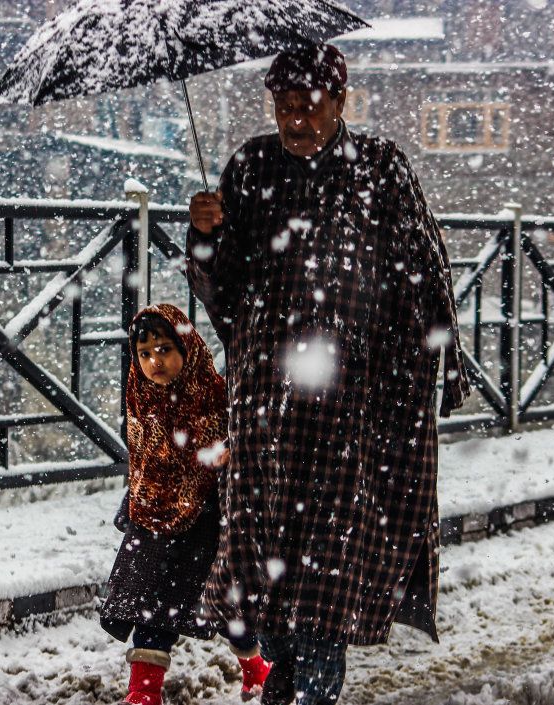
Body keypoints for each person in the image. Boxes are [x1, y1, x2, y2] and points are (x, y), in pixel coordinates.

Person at [186, 43, 471, 705]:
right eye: (286, 108)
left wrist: (423, 359)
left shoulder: (378, 167)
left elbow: (424, 266)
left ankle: (313, 691)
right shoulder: (251, 167)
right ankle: (285, 672)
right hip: (266, 402)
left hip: (352, 403)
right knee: (265, 558)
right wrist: (206, 236)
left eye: (311, 107)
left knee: (328, 563)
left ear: (340, 102)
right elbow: (219, 291)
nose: (298, 121)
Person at [100, 303, 271, 705]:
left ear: (187, 349)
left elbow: (242, 438)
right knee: (152, 605)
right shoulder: (141, 396)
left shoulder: (212, 395)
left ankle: (255, 669)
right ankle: (144, 692)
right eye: (144, 353)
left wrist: (228, 452)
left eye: (164, 349)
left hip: (207, 519)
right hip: (153, 516)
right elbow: (145, 456)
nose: (154, 362)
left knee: (228, 605)